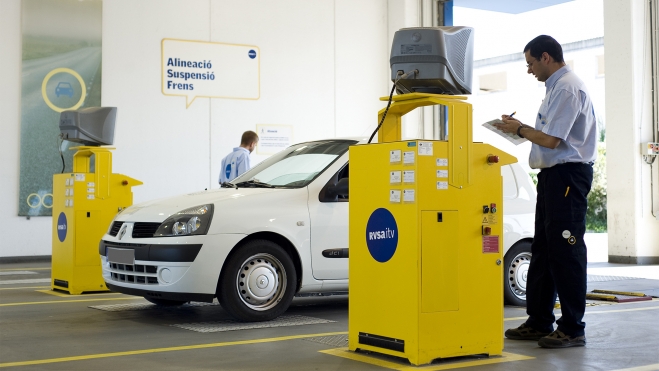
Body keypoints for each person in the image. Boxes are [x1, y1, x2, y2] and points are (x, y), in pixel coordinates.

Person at [493, 35, 597, 349]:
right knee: (544, 250)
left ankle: (572, 328)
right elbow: (550, 136)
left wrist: (519, 129)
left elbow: (552, 141)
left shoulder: (567, 87)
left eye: (531, 63)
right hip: (553, 178)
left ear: (546, 57)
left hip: (568, 176)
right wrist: (521, 126)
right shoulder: (555, 89)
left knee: (566, 251)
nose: (529, 70)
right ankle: (539, 320)